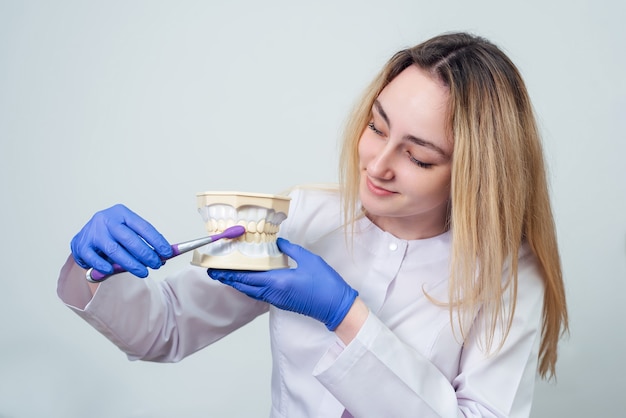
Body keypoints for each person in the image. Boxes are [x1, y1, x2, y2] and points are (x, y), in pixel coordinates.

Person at [58, 32, 568, 417]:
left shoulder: (508, 273)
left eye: (417, 157)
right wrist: (93, 265)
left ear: (476, 173)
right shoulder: (302, 218)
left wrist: (345, 315)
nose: (377, 164)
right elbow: (164, 331)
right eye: (376, 126)